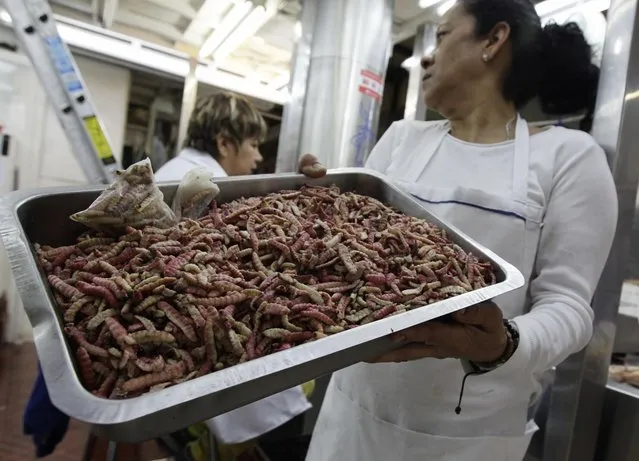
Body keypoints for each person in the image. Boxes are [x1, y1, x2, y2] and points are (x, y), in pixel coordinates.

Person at [298, 1, 618, 460]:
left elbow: (568, 307)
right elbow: (344, 257)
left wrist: (502, 344)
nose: (426, 57)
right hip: (351, 416)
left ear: (494, 40)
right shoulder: (401, 140)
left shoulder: (568, 156)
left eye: (443, 37)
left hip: (469, 437)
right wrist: (309, 209)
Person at [155, 91, 313, 459]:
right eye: (254, 144)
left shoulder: (173, 171)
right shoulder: (203, 183)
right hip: (209, 369)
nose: (259, 156)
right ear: (225, 142)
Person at [155, 92, 264, 181]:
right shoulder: (213, 188)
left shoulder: (173, 168)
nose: (259, 157)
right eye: (254, 145)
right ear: (223, 144)